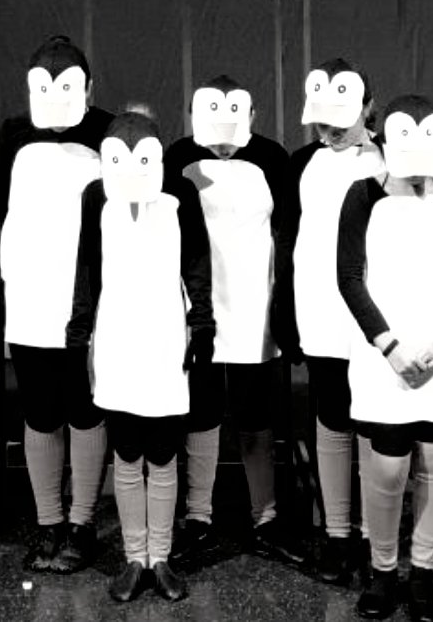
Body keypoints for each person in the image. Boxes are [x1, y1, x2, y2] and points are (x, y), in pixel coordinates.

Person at [338, 94, 433, 622]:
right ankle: (383, 572)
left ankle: (422, 573)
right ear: (385, 141)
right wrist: (389, 346)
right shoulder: (361, 198)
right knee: (387, 466)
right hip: (387, 356)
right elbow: (349, 277)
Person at [68, 109, 213, 602]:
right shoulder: (95, 196)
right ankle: (134, 559)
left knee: (164, 453)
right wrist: (79, 329)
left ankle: (161, 557)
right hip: (115, 340)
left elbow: (197, 261)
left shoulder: (180, 196)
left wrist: (203, 322)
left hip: (166, 341)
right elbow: (86, 265)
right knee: (127, 453)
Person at [0, 35, 114, 574]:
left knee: (84, 410)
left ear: (88, 88)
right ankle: (48, 521)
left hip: (88, 304)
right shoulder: (13, 135)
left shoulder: (108, 132)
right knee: (39, 412)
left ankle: (81, 521)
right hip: (31, 299)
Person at [164, 76, 307, 568]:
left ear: (252, 115)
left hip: (255, 303)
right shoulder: (177, 155)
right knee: (200, 409)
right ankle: (198, 518)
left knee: (254, 412)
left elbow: (288, 232)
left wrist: (286, 306)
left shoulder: (272, 157)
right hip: (197, 303)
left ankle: (265, 518)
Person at [273, 57, 386, 583]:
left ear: (368, 109)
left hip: (373, 315)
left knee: (371, 420)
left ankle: (373, 536)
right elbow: (291, 240)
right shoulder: (302, 164)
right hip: (318, 310)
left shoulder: (388, 163)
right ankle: (338, 533)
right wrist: (287, 313)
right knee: (331, 416)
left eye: (342, 122)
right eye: (322, 123)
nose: (331, 132)